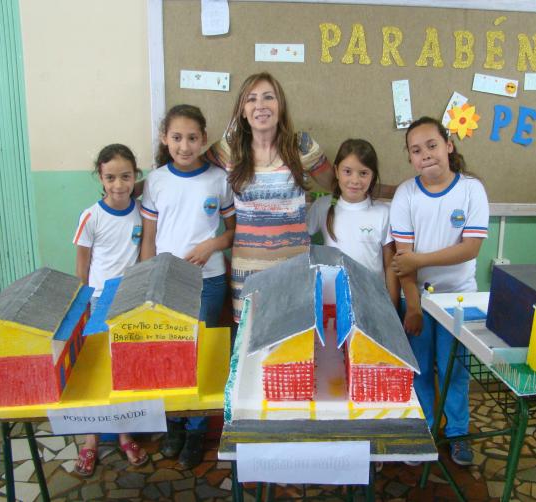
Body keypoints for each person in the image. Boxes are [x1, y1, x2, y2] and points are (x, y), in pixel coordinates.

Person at [390, 116, 489, 466]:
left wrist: (420, 259)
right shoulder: (406, 193)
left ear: (448, 145)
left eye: (432, 145)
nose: (426, 155)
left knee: (453, 371)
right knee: (418, 370)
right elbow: (403, 262)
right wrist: (414, 308)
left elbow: (470, 248)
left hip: (458, 300)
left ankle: (458, 433)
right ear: (410, 158)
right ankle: (425, 431)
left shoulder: (471, 189)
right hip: (417, 298)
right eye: (416, 150)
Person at [140, 104, 236, 469]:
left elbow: (234, 232)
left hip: (208, 280)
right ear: (165, 138)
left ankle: (197, 430)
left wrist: (212, 245)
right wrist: (149, 280)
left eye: (192, 138)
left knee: (201, 354)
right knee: (170, 352)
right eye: (177, 137)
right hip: (166, 281)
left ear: (204, 139)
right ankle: (174, 424)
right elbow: (149, 238)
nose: (184, 146)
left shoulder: (218, 180)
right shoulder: (156, 181)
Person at [206, 72, 333, 322]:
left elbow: (338, 184)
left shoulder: (300, 146)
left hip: (295, 269)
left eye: (268, 97)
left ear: (280, 105)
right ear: (243, 111)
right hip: (248, 273)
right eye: (251, 99)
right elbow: (190, 171)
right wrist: (139, 187)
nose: (260, 105)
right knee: (250, 343)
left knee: (295, 340)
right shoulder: (229, 148)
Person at [73, 144, 148, 477]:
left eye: (126, 177)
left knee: (123, 371)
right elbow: (82, 266)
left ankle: (124, 435)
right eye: (111, 177)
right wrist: (82, 307)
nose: (119, 185)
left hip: (129, 301)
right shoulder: (91, 216)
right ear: (100, 178)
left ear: (135, 177)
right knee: (97, 372)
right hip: (99, 303)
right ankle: (90, 440)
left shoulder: (141, 212)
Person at [307, 138, 398, 306]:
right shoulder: (322, 207)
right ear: (336, 171)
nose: (355, 180)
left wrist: (393, 308)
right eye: (347, 171)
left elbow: (390, 265)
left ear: (373, 176)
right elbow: (300, 244)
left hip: (373, 301)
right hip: (332, 301)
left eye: (363, 173)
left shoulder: (383, 212)